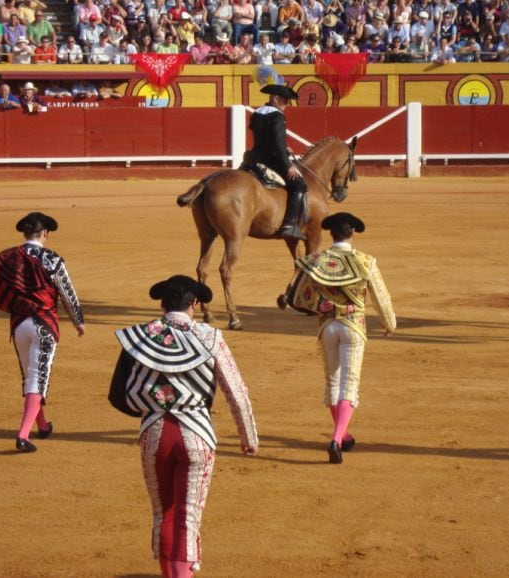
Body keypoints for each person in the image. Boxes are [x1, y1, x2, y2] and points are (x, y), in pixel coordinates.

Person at [108, 275, 258, 578]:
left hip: (153, 435)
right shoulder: (210, 336)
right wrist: (248, 436)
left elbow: (119, 394)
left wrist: (150, 407)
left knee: (164, 514)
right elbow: (236, 392)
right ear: (195, 303)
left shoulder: (139, 337)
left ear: (162, 304)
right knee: (187, 517)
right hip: (198, 434)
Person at [281, 212, 396, 464]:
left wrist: (319, 306)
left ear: (331, 234)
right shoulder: (365, 261)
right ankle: (335, 438)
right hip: (353, 326)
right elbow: (381, 297)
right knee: (349, 382)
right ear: (352, 233)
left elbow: (297, 297)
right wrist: (389, 324)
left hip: (327, 327)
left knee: (333, 382)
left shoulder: (316, 260)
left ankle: (344, 435)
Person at [0, 212, 85, 452]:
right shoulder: (51, 259)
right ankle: (23, 435)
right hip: (44, 325)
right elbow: (67, 293)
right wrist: (78, 321)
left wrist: (15, 306)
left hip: (19, 325)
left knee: (31, 376)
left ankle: (42, 424)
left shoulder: (10, 258)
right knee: (37, 379)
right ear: (44, 234)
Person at [245, 83, 308, 240]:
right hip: (270, 160)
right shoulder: (278, 116)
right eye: (285, 101)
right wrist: (288, 166)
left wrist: (285, 147)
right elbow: (278, 144)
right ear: (275, 98)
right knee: (299, 184)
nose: (287, 104)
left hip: (254, 158)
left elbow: (265, 138)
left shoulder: (257, 113)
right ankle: (289, 224)